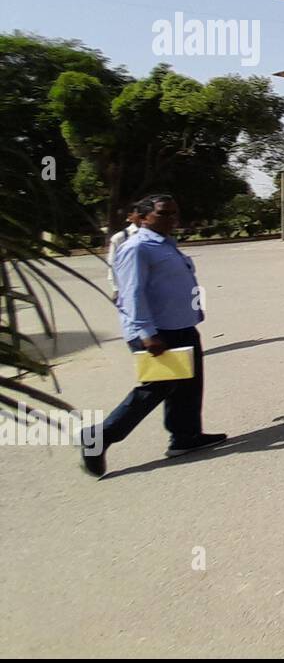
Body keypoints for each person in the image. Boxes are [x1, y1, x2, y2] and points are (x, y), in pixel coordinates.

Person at [81, 194, 226, 477]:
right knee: (153, 390)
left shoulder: (165, 243)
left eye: (173, 213)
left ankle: (185, 437)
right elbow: (131, 295)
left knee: (188, 385)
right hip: (158, 333)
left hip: (181, 327)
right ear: (143, 217)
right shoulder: (137, 247)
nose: (171, 218)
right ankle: (100, 436)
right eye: (163, 214)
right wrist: (147, 333)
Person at [105, 205, 142, 297]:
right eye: (140, 214)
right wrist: (116, 289)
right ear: (130, 216)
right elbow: (112, 264)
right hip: (129, 288)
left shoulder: (157, 236)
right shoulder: (120, 238)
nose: (144, 217)